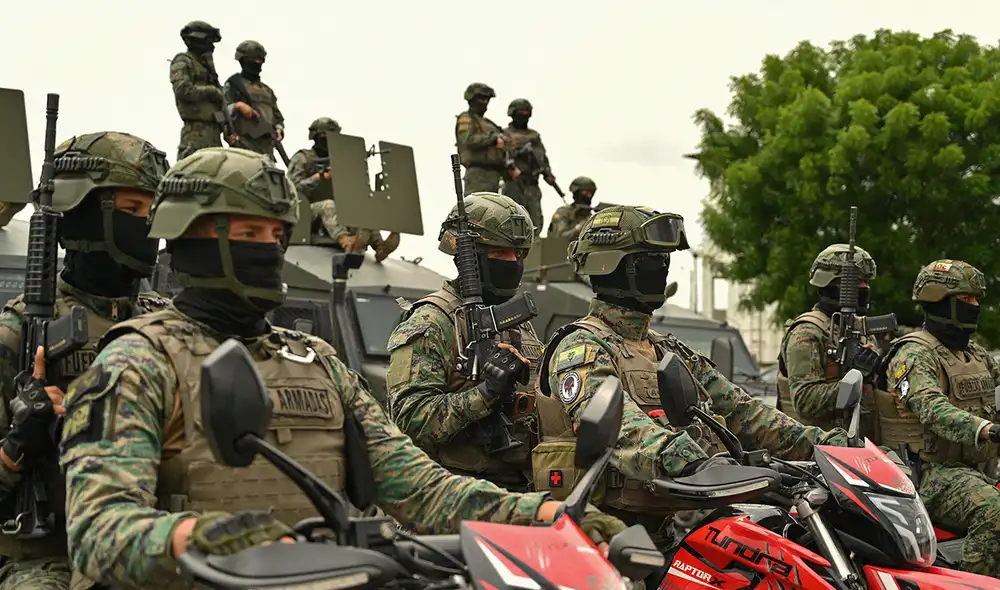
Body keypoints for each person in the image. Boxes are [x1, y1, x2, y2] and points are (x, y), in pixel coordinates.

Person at [58, 149, 625, 590]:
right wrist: (199, 539)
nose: (267, 247)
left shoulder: (314, 360)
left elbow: (420, 489)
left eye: (275, 235)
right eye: (247, 233)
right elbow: (98, 531)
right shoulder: (138, 360)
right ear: (187, 237)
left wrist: (545, 516)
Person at [533, 206, 846, 549]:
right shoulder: (581, 347)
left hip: (665, 533)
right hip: (604, 544)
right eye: (652, 259)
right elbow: (622, 428)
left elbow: (746, 412)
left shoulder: (667, 349)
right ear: (611, 265)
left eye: (665, 259)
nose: (663, 268)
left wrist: (828, 447)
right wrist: (690, 459)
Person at [0, 132, 169, 590]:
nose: (148, 226)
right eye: (133, 211)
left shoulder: (169, 327)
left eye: (152, 211)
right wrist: (20, 440)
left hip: (153, 547)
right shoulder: (17, 332)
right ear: (86, 216)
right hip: (48, 557)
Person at [386, 193, 541, 491]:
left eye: (518, 254)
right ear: (472, 257)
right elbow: (408, 421)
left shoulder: (517, 323)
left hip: (519, 492)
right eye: (499, 254)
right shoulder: (433, 321)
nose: (511, 263)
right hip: (452, 495)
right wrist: (484, 394)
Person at [875, 259, 1000, 577]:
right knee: (995, 511)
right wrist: (985, 428)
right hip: (930, 474)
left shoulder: (973, 352)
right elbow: (931, 407)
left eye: (977, 299)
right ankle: (975, 582)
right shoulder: (914, 353)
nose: (976, 306)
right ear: (941, 301)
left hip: (974, 469)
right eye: (967, 299)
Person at [777, 244, 878, 433]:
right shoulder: (806, 333)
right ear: (831, 284)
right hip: (819, 448)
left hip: (861, 444)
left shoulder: (861, 330)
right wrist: (855, 378)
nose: (865, 288)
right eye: (856, 282)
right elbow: (805, 401)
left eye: (866, 282)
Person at [287, 118, 399, 261]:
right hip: (305, 212)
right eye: (324, 137)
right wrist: (319, 177)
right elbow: (291, 190)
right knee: (328, 205)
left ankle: (379, 246)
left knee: (362, 207)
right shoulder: (303, 158)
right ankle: (345, 239)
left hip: (336, 211)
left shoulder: (340, 159)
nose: (328, 140)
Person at [170, 20, 231, 161]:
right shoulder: (183, 61)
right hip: (195, 133)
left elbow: (218, 104)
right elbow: (182, 89)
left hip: (214, 134)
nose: (211, 46)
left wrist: (227, 127)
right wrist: (211, 91)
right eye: (208, 41)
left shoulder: (208, 68)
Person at [501, 99, 556, 235]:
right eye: (520, 113)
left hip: (532, 183)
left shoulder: (534, 136)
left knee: (535, 220)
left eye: (526, 113)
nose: (523, 116)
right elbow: (501, 157)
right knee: (512, 219)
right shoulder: (505, 134)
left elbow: (542, 158)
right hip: (513, 183)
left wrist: (548, 174)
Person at [223, 41, 285, 160]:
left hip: (266, 148)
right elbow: (222, 111)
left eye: (259, 61)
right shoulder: (234, 85)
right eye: (253, 61)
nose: (257, 64)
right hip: (243, 146)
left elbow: (278, 117)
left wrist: (279, 129)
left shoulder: (267, 91)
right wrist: (237, 106)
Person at [455, 83, 517, 195]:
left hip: (495, 175)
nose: (484, 102)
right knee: (477, 208)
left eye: (487, 99)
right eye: (481, 99)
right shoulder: (467, 118)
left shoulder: (490, 124)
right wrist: (493, 139)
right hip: (477, 174)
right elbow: (468, 140)